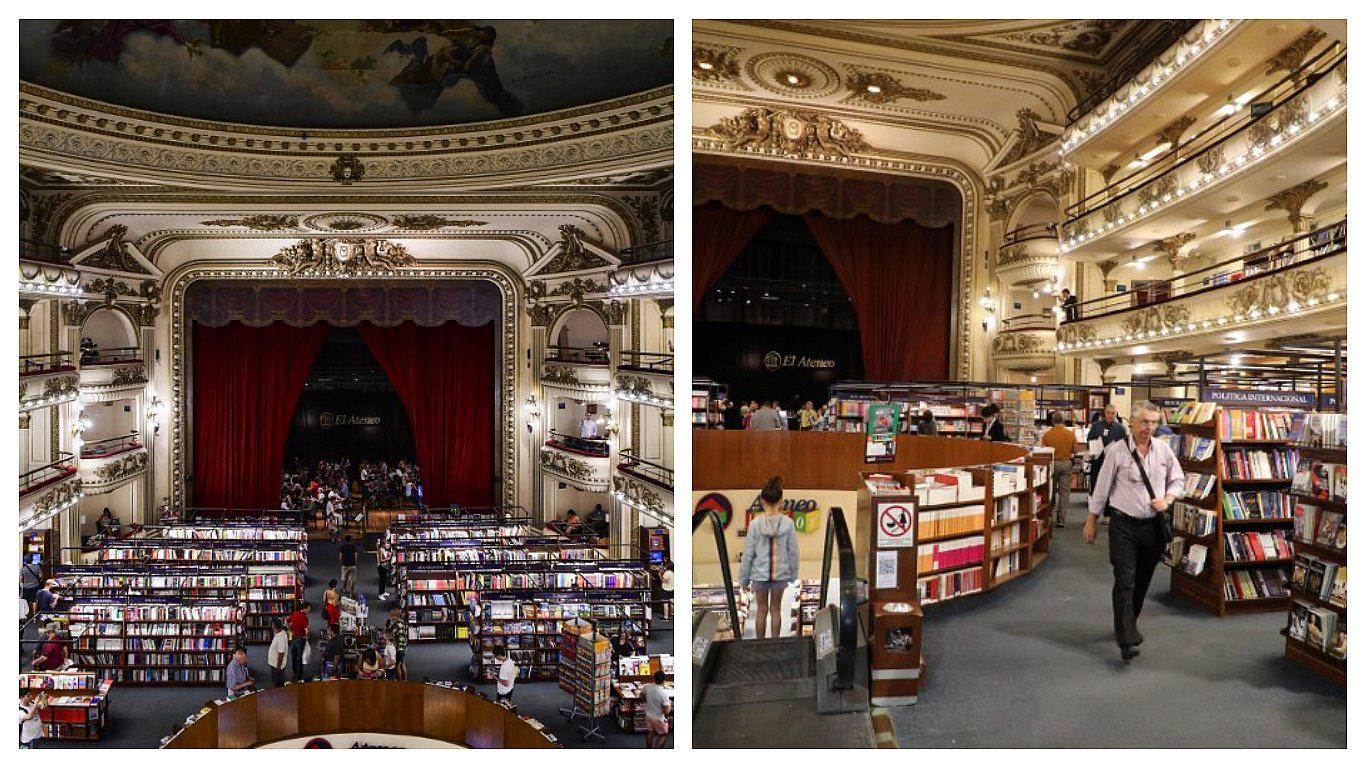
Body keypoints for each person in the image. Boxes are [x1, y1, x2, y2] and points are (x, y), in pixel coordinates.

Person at [1084, 401, 1185, 662]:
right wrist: (1091, 519)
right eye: (1144, 422)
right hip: (1123, 526)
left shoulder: (1163, 450)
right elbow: (1102, 488)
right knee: (1125, 580)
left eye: (1153, 423)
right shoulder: (1117, 452)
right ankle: (1126, 639)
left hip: (1152, 527)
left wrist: (1168, 500)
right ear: (1132, 422)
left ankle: (1129, 622)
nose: (1149, 428)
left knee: (1142, 580)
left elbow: (1178, 480)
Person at [739, 476, 800, 640]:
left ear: (761, 501)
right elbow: (793, 551)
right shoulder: (788, 524)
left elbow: (748, 554)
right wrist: (793, 575)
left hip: (759, 574)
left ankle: (760, 644)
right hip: (780, 574)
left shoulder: (755, 524)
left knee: (761, 610)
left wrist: (743, 580)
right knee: (775, 610)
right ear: (781, 500)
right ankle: (775, 642)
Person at [1040, 411, 1078, 527]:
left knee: (1050, 491)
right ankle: (1061, 519)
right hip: (1066, 463)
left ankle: (1049, 516)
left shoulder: (1047, 435)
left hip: (1052, 464)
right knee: (1064, 493)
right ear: (1063, 420)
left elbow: (1043, 451)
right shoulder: (1071, 434)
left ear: (1052, 421)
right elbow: (1074, 451)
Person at [1087, 404, 1128, 491]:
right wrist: (1094, 446)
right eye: (1108, 413)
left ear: (1116, 414)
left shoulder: (1121, 429)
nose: (1110, 415)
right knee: (1096, 482)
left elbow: (1124, 445)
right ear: (1104, 413)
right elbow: (1089, 439)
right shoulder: (1096, 426)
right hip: (1098, 459)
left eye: (1112, 413)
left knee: (1111, 484)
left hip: (1113, 460)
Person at [641, 670, 671, 748]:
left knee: (650, 732)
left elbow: (641, 696)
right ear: (664, 681)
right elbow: (666, 712)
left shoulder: (646, 686)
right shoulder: (664, 694)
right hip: (659, 718)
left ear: (654, 678)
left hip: (648, 715)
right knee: (664, 734)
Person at [288, 600, 311, 682]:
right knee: (300, 658)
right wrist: (307, 637)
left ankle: (294, 673)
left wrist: (291, 630)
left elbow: (286, 622)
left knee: (294, 656)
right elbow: (307, 630)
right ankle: (299, 677)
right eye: (309, 608)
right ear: (304, 608)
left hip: (294, 637)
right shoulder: (304, 617)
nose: (309, 610)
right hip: (301, 639)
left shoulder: (294, 613)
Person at [265, 618, 290, 687]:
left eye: (272, 624)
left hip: (277, 665)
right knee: (278, 679)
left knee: (277, 681)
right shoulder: (282, 632)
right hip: (275, 664)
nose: (271, 625)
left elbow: (281, 654)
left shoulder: (280, 638)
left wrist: (278, 667)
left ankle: (278, 693)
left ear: (274, 626)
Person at [386, 607, 409, 681]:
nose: (391, 617)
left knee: (397, 665)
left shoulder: (396, 624)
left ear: (395, 616)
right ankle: (405, 680)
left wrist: (387, 627)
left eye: (391, 615)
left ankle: (400, 682)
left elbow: (390, 634)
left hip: (398, 647)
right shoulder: (405, 623)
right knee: (403, 663)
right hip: (404, 646)